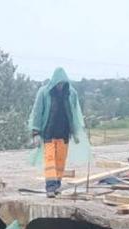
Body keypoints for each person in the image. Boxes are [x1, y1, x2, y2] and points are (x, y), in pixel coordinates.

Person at [28, 67, 87, 198]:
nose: (60, 86)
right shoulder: (44, 92)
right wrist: (35, 132)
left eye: (62, 84)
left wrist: (76, 131)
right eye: (58, 83)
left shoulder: (71, 94)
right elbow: (37, 112)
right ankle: (50, 187)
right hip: (49, 132)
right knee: (50, 160)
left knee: (60, 161)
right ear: (54, 82)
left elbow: (75, 113)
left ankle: (57, 186)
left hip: (64, 133)